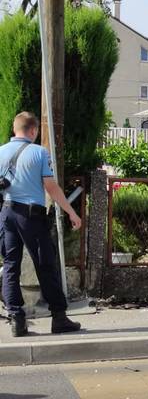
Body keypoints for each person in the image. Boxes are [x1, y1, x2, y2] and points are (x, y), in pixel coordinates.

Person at [1, 112, 82, 337]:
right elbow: (51, 187)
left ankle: (17, 320)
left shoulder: (0, 152)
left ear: (14, 129)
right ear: (34, 131)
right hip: (31, 216)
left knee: (10, 266)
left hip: (7, 212)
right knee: (46, 266)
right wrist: (71, 212)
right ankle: (59, 317)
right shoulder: (39, 152)